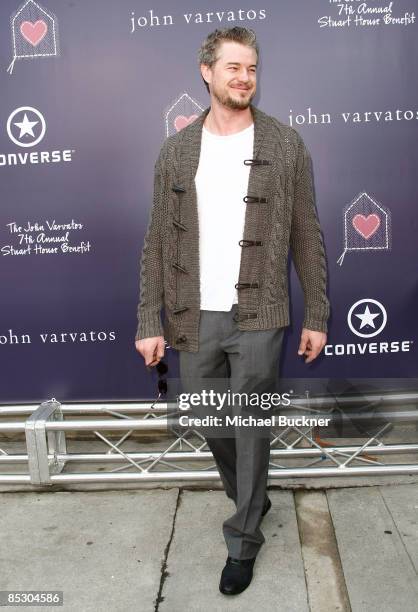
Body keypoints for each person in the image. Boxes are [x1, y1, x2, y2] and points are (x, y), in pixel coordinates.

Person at [135, 26, 330, 596]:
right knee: (212, 420)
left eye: (251, 68)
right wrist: (149, 321)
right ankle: (252, 493)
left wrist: (316, 311)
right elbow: (155, 242)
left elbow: (307, 233)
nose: (244, 78)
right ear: (207, 72)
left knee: (251, 426)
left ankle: (244, 538)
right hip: (192, 315)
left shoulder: (285, 144)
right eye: (233, 68)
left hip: (261, 315)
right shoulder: (175, 151)